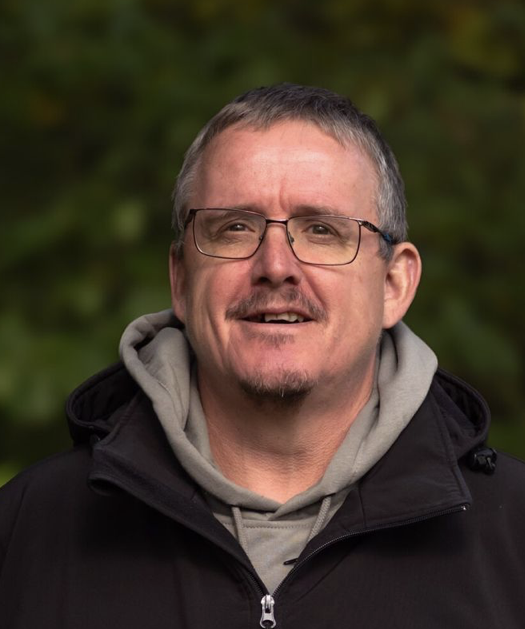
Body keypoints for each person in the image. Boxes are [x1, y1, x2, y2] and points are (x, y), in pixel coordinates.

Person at [1, 84, 524, 629]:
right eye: (234, 228)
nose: (275, 266)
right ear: (181, 280)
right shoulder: (25, 535)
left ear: (394, 284)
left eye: (321, 230)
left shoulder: (513, 539)